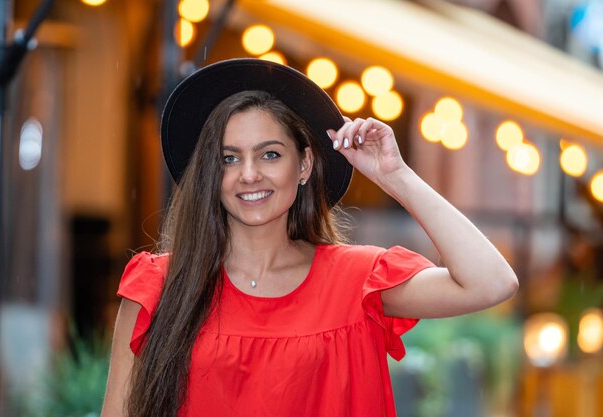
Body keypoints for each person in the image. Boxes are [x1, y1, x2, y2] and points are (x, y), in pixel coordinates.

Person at [100, 59, 518, 417]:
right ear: (213, 173)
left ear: (304, 165)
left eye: (270, 154)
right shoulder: (158, 287)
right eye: (229, 158)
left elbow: (491, 282)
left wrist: (398, 178)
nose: (249, 174)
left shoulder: (357, 281)